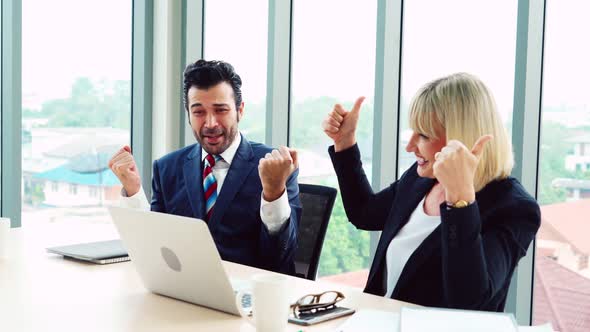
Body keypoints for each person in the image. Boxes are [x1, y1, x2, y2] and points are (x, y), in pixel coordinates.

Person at [322, 73, 540, 311]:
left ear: (460, 138)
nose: (410, 146)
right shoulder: (421, 178)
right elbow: (364, 213)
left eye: (424, 135)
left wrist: (460, 200)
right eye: (413, 132)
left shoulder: (513, 208)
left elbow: (469, 299)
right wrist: (345, 144)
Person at [109, 59, 301, 274]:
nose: (210, 123)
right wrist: (133, 190)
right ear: (189, 115)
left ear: (240, 111)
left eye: (220, 110)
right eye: (199, 112)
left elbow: (281, 259)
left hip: (251, 296)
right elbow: (154, 249)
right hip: (186, 293)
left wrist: (274, 192)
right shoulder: (166, 168)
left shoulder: (275, 168)